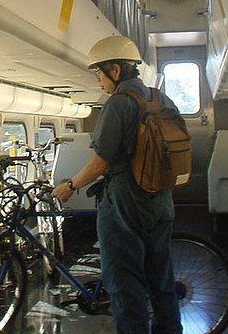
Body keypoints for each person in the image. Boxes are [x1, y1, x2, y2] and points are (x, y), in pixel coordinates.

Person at [52, 35, 183, 334]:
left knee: (125, 283)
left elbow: (100, 164)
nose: (98, 81)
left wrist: (69, 185)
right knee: (161, 279)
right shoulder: (161, 98)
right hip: (161, 200)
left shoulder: (118, 105)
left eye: (99, 73)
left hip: (126, 203)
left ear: (114, 70)